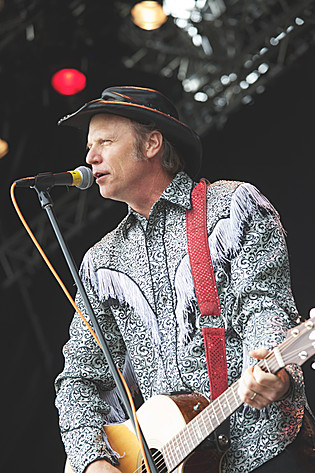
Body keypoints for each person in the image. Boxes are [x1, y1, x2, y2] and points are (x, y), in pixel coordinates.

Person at [55, 86, 310, 473]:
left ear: (153, 143)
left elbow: (264, 306)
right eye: (89, 145)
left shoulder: (231, 207)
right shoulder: (100, 263)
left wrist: (278, 372)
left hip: (263, 452)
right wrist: (92, 459)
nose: (90, 157)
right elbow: (79, 378)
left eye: (105, 141)